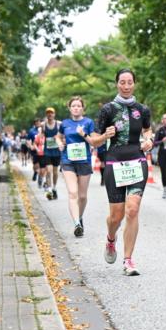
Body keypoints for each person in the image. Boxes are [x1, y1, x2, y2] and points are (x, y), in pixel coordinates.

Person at [87, 68, 153, 276]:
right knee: (116, 216)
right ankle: (110, 238)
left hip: (137, 161)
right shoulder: (108, 110)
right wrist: (105, 136)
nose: (126, 86)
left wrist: (149, 140)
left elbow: (148, 130)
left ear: (134, 84)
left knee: (132, 209)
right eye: (122, 82)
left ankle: (128, 260)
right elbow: (93, 139)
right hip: (114, 164)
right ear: (117, 84)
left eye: (129, 82)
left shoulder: (142, 110)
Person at [57, 96, 97, 237]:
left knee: (82, 196)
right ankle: (76, 224)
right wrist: (60, 143)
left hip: (84, 161)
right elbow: (58, 136)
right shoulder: (65, 123)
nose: (76, 108)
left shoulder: (88, 122)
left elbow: (94, 142)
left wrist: (83, 134)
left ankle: (79, 217)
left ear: (82, 108)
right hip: (68, 161)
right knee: (72, 193)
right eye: (73, 106)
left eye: (78, 106)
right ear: (69, 108)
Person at [41, 107, 63, 200]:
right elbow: (41, 137)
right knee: (49, 170)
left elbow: (63, 136)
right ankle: (49, 190)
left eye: (51, 113)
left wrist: (59, 138)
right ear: (46, 115)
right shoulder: (43, 125)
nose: (50, 115)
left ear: (54, 114)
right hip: (47, 151)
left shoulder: (59, 124)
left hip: (57, 151)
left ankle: (54, 188)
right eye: (48, 113)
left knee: (55, 172)